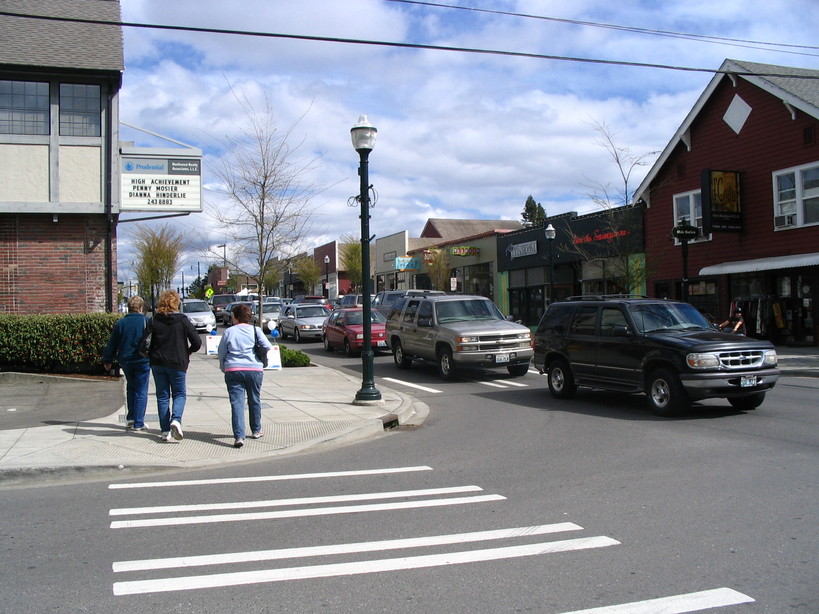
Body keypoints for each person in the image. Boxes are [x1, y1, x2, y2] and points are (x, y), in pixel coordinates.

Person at [144, 290, 202, 442]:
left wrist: (150, 356)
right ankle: (176, 419)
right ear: (177, 303)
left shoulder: (154, 320)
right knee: (179, 394)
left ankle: (165, 431)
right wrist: (188, 351)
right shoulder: (183, 320)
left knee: (162, 396)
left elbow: (144, 344)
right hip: (177, 362)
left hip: (158, 362)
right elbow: (197, 342)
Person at [217, 303, 272, 448]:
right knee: (254, 399)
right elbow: (267, 345)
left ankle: (239, 436)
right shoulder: (256, 330)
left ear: (234, 317)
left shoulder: (229, 332)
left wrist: (224, 367)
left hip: (233, 369)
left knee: (237, 403)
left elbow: (222, 351)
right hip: (254, 369)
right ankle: (256, 430)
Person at [103, 296, 150, 431]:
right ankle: (139, 422)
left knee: (131, 387)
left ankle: (130, 417)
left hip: (126, 360)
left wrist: (108, 360)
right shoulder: (146, 322)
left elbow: (112, 343)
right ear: (141, 308)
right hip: (142, 360)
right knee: (141, 390)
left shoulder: (121, 323)